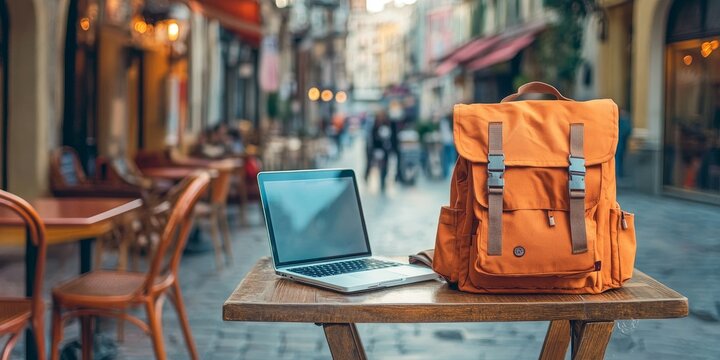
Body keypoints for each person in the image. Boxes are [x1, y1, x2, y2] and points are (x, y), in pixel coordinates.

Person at [365, 111, 395, 192]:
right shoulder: (375, 126)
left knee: (385, 167)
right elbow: (372, 139)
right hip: (376, 150)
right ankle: (367, 178)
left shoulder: (389, 125)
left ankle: (383, 182)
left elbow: (391, 138)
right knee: (372, 166)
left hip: (385, 150)